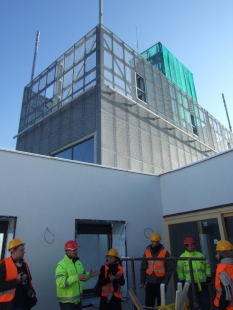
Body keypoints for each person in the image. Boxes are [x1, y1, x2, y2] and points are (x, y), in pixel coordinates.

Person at [55, 240, 99, 310]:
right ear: (67, 251)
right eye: (74, 250)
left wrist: (89, 275)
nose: (77, 252)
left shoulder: (78, 263)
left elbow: (82, 277)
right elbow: (60, 282)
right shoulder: (61, 265)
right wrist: (77, 277)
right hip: (67, 303)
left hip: (78, 301)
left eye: (77, 249)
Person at [0, 238, 37, 310]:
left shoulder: (24, 264)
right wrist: (16, 281)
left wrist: (32, 291)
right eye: (21, 250)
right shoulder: (4, 265)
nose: (24, 252)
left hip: (23, 304)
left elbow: (28, 282)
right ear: (13, 251)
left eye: (24, 250)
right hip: (8, 305)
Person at [176, 237, 211, 310]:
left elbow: (207, 266)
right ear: (186, 246)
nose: (193, 247)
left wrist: (208, 277)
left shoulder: (200, 255)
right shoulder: (182, 257)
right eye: (191, 245)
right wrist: (182, 280)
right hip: (190, 285)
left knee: (205, 304)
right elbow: (179, 270)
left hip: (202, 284)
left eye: (193, 245)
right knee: (193, 304)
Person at [140, 232, 173, 307]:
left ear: (159, 242)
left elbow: (169, 269)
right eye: (152, 241)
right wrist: (142, 281)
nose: (152, 243)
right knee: (148, 305)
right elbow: (143, 267)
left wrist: (164, 283)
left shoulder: (165, 253)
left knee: (161, 305)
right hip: (150, 282)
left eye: (154, 241)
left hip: (160, 282)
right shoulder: (147, 252)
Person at [214, 240, 233, 310]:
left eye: (217, 253)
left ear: (222, 254)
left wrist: (222, 306)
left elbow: (226, 293)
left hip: (226, 306)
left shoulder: (222, 268)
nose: (216, 256)